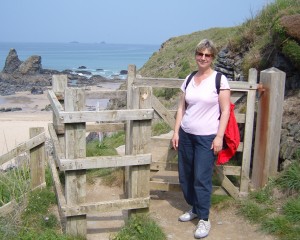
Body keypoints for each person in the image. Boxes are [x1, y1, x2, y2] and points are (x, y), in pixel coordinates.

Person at [171, 39, 231, 239]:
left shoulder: (219, 79)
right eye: (200, 54)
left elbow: (225, 111)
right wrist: (176, 132)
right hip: (186, 135)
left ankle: (204, 218)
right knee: (185, 176)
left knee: (201, 178)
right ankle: (195, 208)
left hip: (207, 137)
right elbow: (182, 107)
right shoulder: (188, 78)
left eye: (207, 55)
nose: (203, 58)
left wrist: (219, 137)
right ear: (196, 55)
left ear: (212, 57)